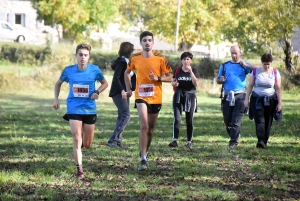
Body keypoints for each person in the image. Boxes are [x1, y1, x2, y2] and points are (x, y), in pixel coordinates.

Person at [53, 44, 108, 179]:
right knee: (76, 138)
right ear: (76, 55)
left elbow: (105, 83)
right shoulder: (68, 70)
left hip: (89, 109)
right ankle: (80, 170)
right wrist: (56, 99)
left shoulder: (94, 70)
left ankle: (84, 138)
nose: (83, 57)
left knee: (87, 145)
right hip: (74, 108)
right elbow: (58, 83)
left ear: (89, 56)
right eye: (80, 54)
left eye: (85, 55)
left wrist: (96, 92)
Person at [124, 31, 172, 171]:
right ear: (140, 43)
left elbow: (170, 78)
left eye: (149, 40)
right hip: (141, 96)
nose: (147, 42)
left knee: (150, 130)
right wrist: (129, 89)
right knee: (144, 125)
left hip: (156, 97)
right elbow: (127, 73)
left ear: (153, 42)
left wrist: (158, 78)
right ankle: (143, 159)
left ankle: (144, 151)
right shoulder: (135, 58)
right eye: (144, 40)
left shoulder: (160, 59)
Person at [216, 45, 255, 148]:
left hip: (241, 95)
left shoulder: (244, 65)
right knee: (227, 120)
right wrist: (221, 80)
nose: (234, 55)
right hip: (227, 95)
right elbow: (218, 79)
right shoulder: (224, 65)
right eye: (232, 53)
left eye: (236, 53)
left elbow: (257, 69)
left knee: (236, 120)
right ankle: (236, 134)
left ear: (240, 53)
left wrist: (246, 65)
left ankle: (233, 142)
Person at [244, 53, 282, 148]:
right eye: (265, 64)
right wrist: (246, 99)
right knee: (260, 121)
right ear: (262, 63)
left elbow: (278, 89)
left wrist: (280, 103)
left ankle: (264, 141)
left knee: (268, 121)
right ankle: (260, 140)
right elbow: (250, 86)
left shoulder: (275, 72)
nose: (267, 66)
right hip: (257, 99)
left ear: (271, 63)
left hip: (271, 100)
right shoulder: (256, 71)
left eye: (268, 64)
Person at [106, 42, 135, 148]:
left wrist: (130, 89)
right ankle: (112, 140)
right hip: (118, 93)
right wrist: (123, 90)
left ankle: (118, 141)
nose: (133, 51)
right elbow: (117, 77)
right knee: (126, 116)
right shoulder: (122, 62)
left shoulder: (128, 61)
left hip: (125, 93)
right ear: (129, 50)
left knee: (121, 116)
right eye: (132, 49)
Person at [168, 52, 199, 149]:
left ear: (191, 61)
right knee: (177, 119)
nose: (186, 61)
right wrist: (174, 84)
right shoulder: (177, 70)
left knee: (189, 120)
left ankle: (189, 141)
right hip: (178, 96)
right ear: (181, 60)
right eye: (184, 59)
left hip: (190, 96)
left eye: (188, 59)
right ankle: (175, 140)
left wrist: (191, 72)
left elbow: (196, 83)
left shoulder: (194, 70)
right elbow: (173, 81)